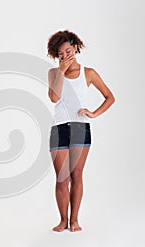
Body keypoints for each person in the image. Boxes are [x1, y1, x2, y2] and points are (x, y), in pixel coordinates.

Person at [47, 30, 115, 232]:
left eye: (68, 51)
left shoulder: (89, 72)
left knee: (77, 175)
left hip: (80, 127)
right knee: (62, 178)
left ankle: (74, 220)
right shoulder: (53, 73)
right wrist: (60, 70)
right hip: (59, 127)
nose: (65, 56)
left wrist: (93, 113)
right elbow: (52, 97)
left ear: (75, 47)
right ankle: (62, 220)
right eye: (60, 54)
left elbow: (109, 97)